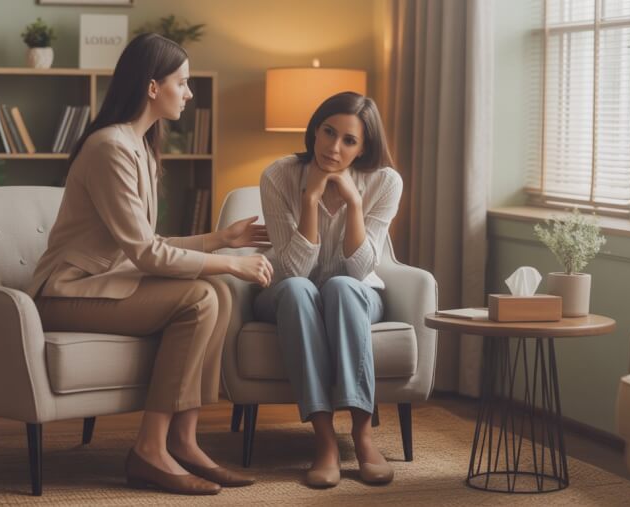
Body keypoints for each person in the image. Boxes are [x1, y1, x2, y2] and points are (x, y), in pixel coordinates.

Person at [26, 33, 273, 496]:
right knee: (204, 295)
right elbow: (146, 254)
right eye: (183, 82)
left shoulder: (139, 146)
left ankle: (182, 439)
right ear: (153, 87)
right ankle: (150, 449)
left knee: (215, 293)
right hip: (65, 292)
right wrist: (231, 264)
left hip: (105, 283)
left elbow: (145, 243)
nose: (189, 92)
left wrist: (221, 240)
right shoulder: (110, 148)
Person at [256, 91, 403, 488]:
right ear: (315, 130)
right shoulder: (277, 175)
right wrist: (311, 199)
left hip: (354, 294)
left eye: (349, 140)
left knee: (339, 286)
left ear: (364, 147)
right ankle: (324, 442)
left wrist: (354, 203)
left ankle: (363, 436)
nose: (333, 148)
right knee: (301, 290)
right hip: (288, 295)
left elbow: (359, 271)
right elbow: (291, 268)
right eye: (328, 132)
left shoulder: (385, 181)